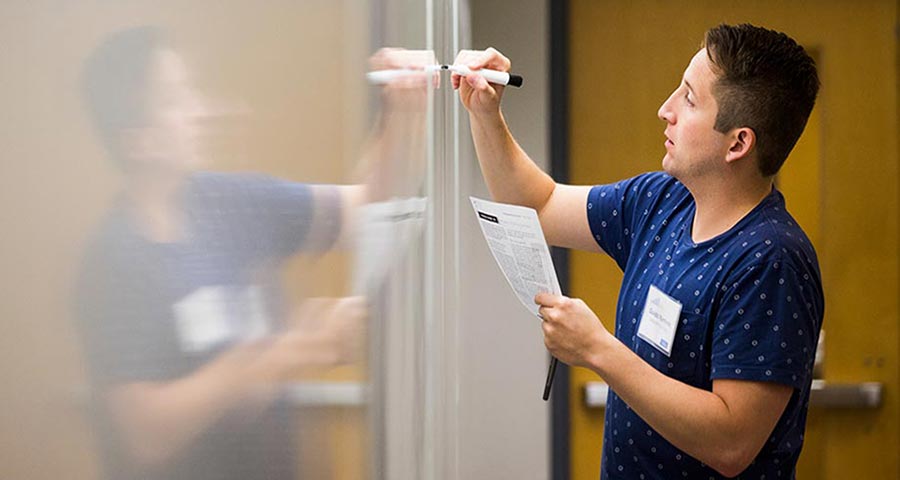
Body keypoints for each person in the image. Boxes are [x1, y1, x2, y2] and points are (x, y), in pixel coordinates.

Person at [453, 23, 823, 479]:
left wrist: (597, 350)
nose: (665, 109)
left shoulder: (772, 259)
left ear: (738, 143)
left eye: (689, 99)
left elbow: (732, 442)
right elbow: (539, 205)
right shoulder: (662, 200)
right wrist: (484, 112)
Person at [76, 26, 427, 480]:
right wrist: (287, 353)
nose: (200, 111)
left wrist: (398, 112)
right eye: (176, 100)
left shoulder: (231, 202)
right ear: (137, 141)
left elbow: (367, 210)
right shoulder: (115, 260)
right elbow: (146, 430)